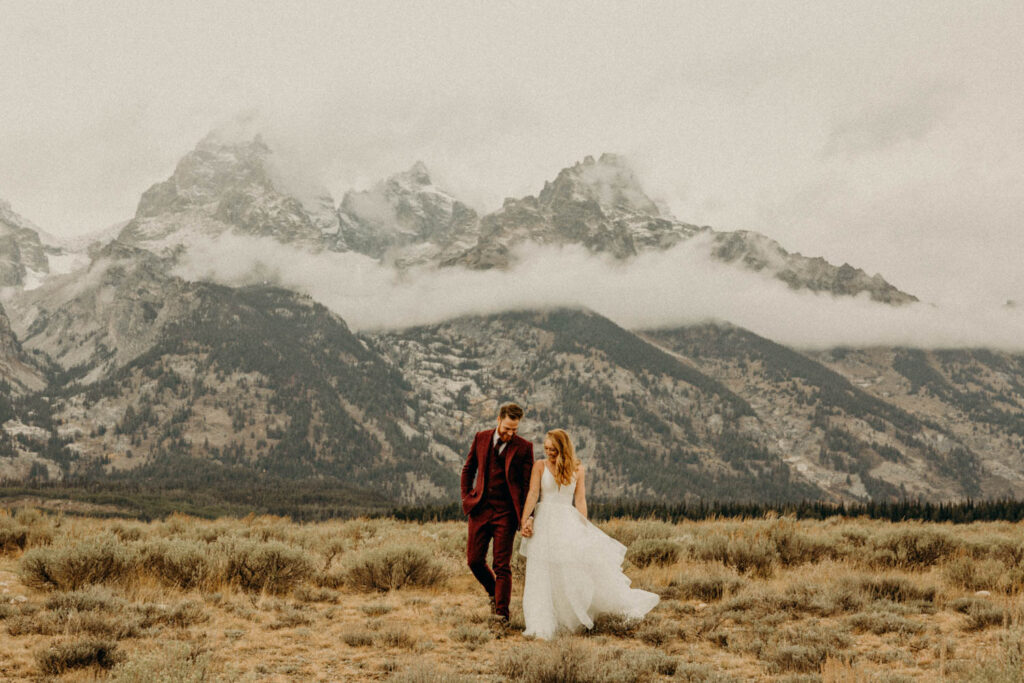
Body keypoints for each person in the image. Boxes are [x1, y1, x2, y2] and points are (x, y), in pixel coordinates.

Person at [519, 429, 658, 639]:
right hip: (544, 521)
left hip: (567, 522)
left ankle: (570, 617)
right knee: (542, 571)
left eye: (553, 450)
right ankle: (541, 621)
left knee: (570, 570)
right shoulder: (540, 466)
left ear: (563, 449)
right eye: (546, 449)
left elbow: (580, 500)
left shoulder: (577, 469)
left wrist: (582, 527)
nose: (548, 453)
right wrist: (525, 519)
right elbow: (533, 493)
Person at [460, 402, 534, 622]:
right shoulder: (481, 438)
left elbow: (528, 485)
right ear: (498, 420)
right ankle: (494, 593)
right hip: (480, 510)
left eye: (515, 430)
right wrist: (467, 496)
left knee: (501, 565)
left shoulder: (524, 447)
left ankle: (501, 615)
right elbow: (468, 469)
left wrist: (527, 516)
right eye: (507, 428)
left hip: (506, 514)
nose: (510, 433)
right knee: (474, 560)